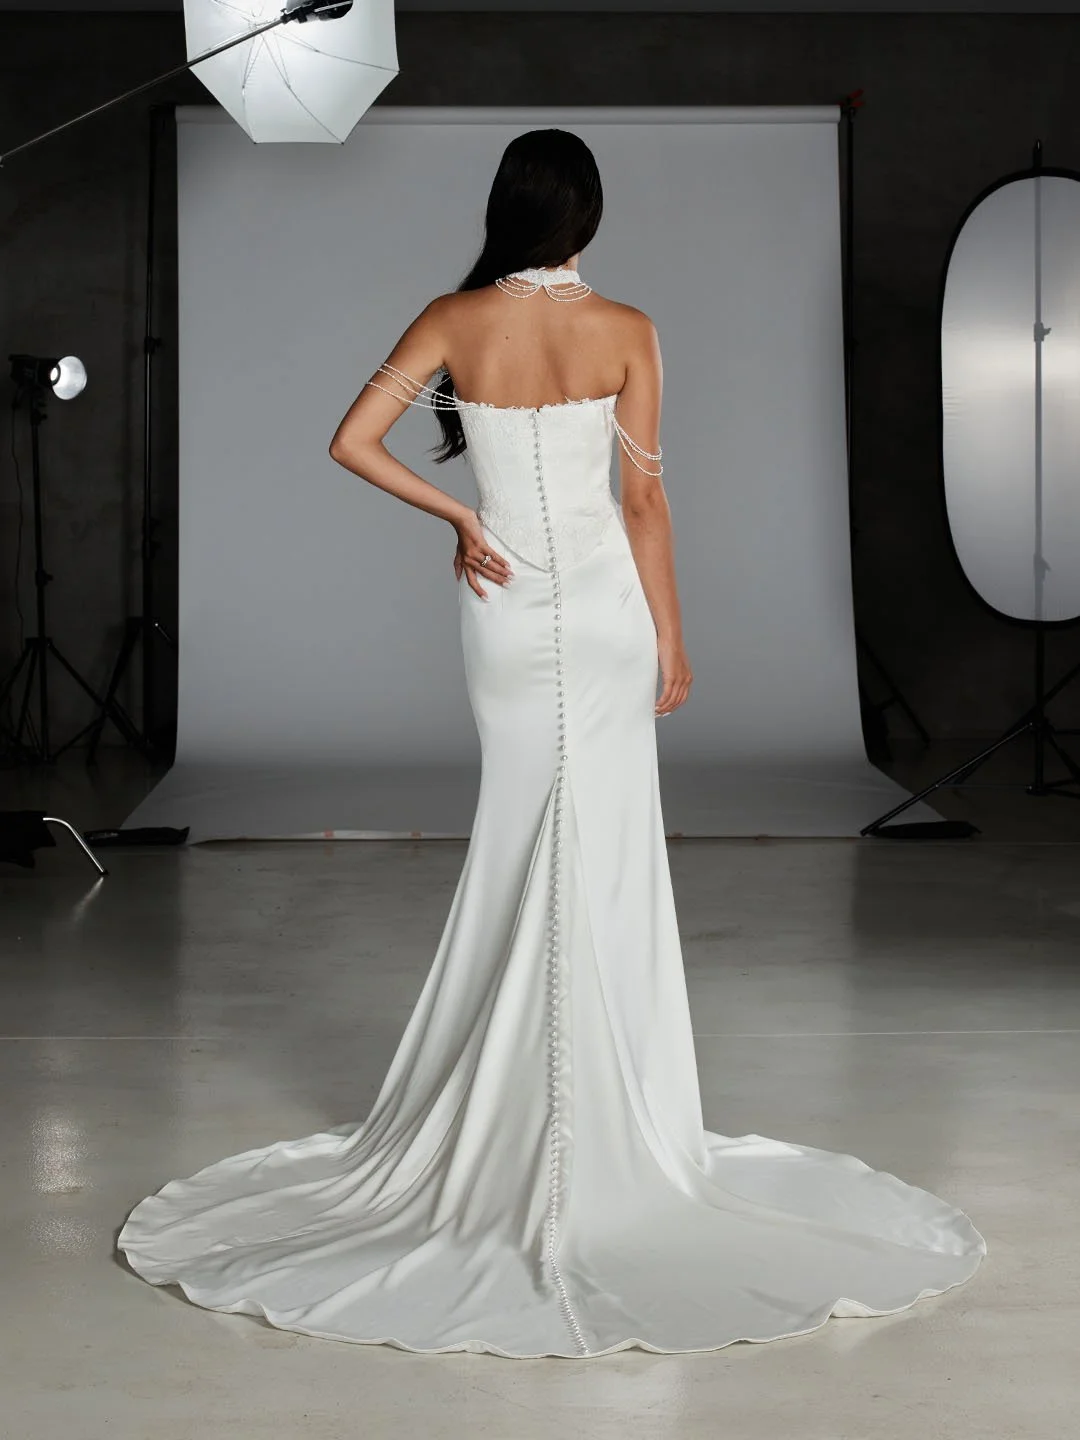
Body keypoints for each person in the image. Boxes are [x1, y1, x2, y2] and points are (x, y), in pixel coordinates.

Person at [117, 128, 985, 1358]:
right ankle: (602, 1124)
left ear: (506, 210)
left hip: (504, 614)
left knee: (533, 836)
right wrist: (676, 641)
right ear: (584, 217)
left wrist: (461, 514)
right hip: (611, 615)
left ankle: (523, 1109)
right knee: (606, 853)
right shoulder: (629, 326)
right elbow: (644, 501)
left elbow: (349, 442)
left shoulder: (453, 317)